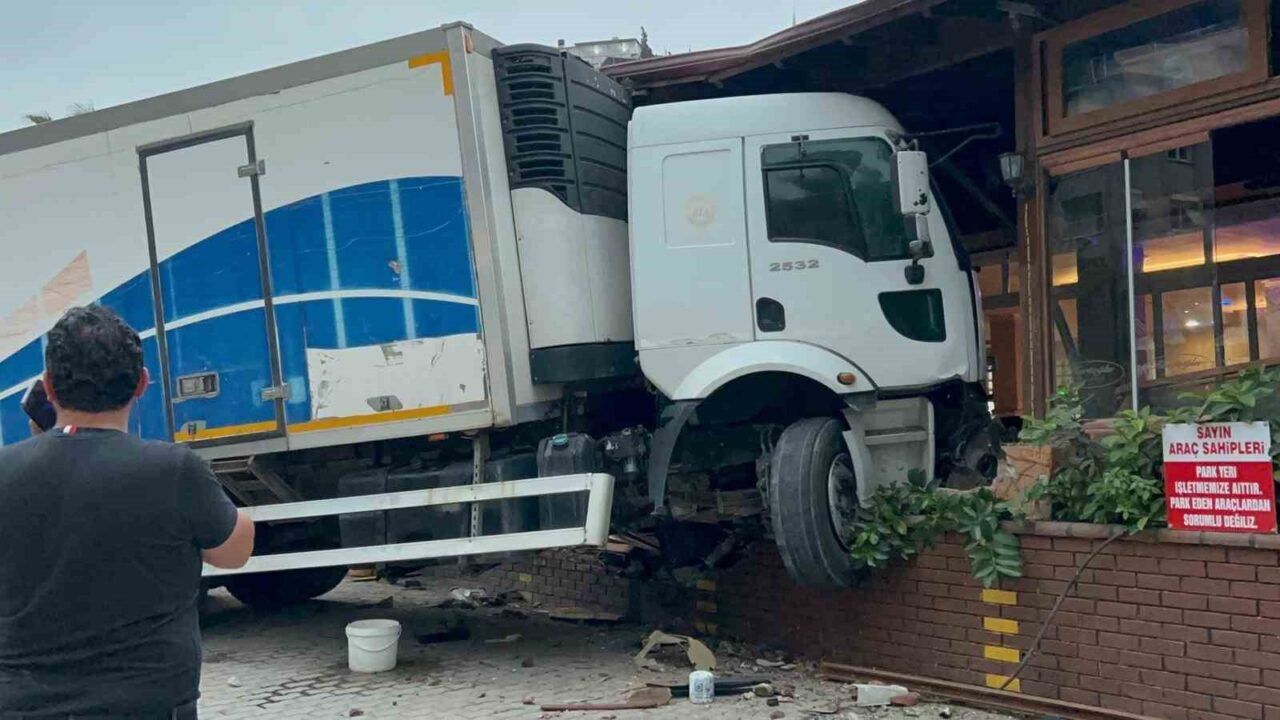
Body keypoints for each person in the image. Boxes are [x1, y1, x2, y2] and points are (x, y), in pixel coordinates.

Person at [0, 306, 255, 719]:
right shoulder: (172, 469)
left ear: (48, 387)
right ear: (141, 383)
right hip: (148, 705)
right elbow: (234, 553)